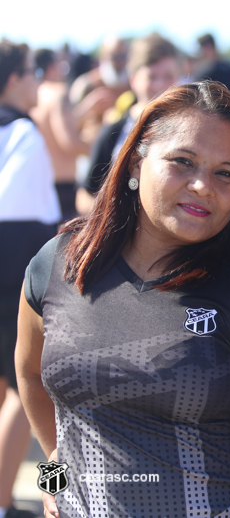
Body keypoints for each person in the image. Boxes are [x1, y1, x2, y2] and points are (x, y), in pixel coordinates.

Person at [16, 81, 230, 517]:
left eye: (226, 173)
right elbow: (33, 381)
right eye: (183, 162)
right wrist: (52, 479)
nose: (203, 185)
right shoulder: (58, 263)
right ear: (136, 161)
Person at [0, 39, 61, 518]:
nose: (38, 80)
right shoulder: (22, 132)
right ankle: (9, 501)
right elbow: (29, 223)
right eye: (31, 71)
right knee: (30, 393)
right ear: (15, 79)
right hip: (12, 281)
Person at [77, 32, 181, 214]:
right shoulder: (114, 132)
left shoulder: (190, 131)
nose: (160, 85)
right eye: (151, 77)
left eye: (168, 76)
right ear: (134, 79)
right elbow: (86, 196)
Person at [30, 48, 91, 221]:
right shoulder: (58, 93)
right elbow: (69, 142)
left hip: (41, 185)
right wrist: (104, 150)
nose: (65, 69)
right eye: (61, 65)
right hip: (63, 190)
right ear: (51, 68)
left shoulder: (33, 96)